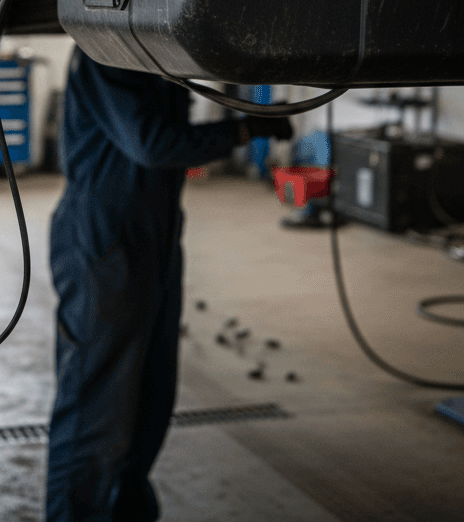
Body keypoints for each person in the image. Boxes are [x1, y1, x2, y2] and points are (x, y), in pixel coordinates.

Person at [47, 49, 293, 522]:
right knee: (96, 404)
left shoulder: (155, 56)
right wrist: (243, 129)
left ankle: (126, 509)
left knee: (150, 394)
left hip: (153, 234)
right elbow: (154, 144)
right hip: (103, 242)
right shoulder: (104, 53)